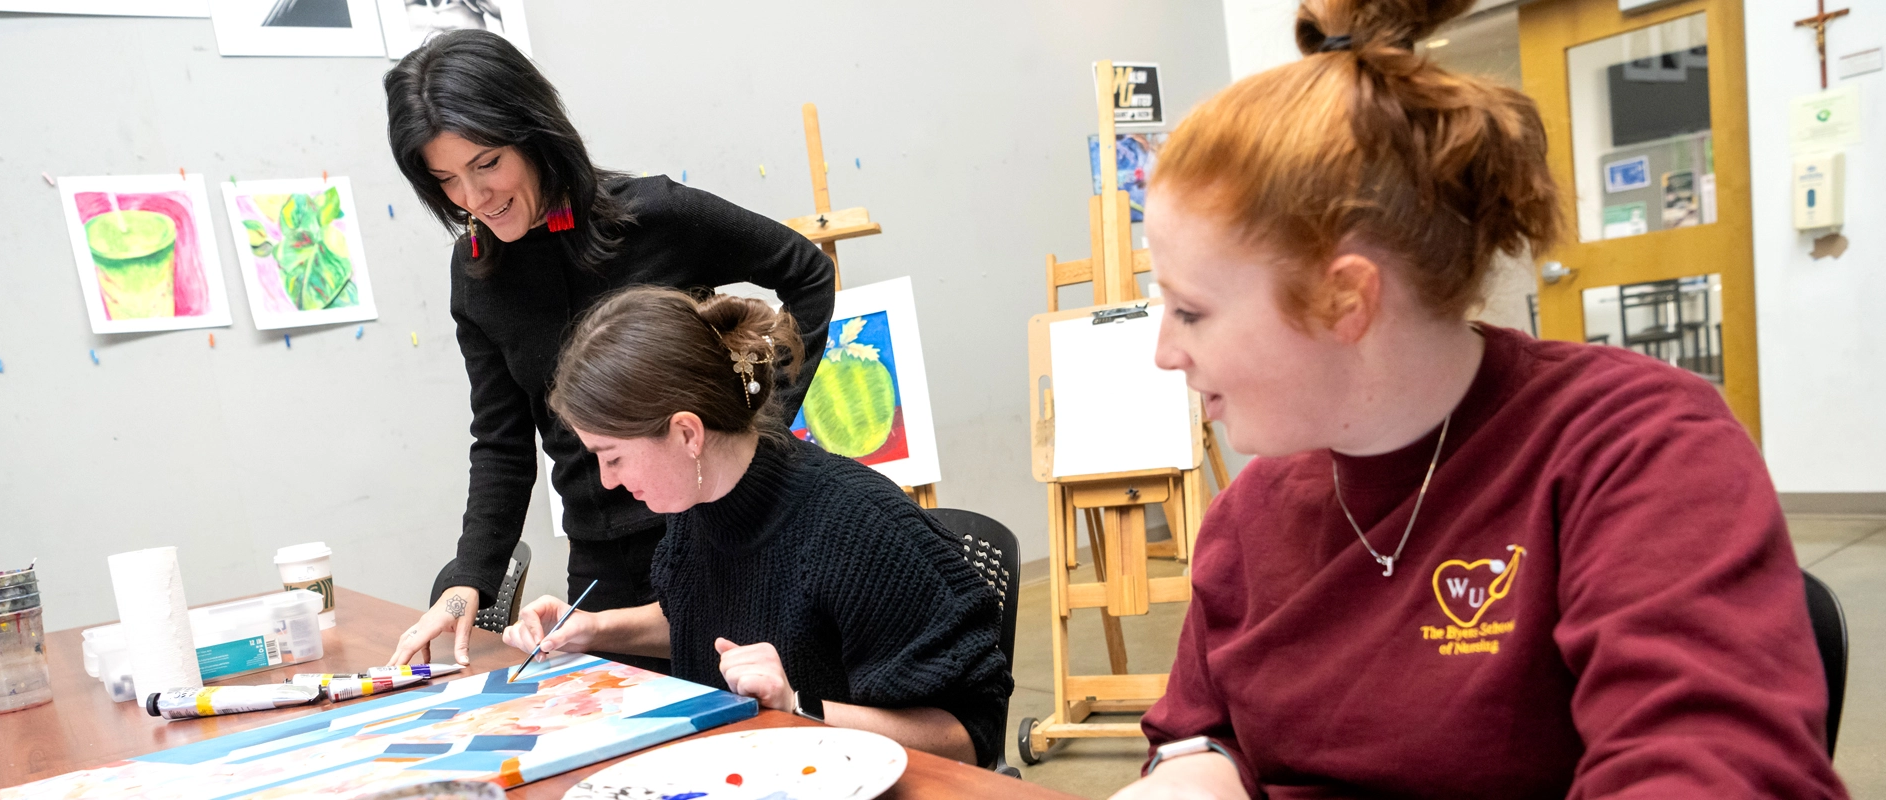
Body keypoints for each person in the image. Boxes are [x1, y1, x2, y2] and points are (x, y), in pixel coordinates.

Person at [1113, 1, 1848, 797]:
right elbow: (1201, 732)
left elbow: (1712, 763)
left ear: (1343, 302)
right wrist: (1194, 774)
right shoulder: (1250, 515)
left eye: (1190, 310)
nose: (1165, 353)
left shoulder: (1634, 448)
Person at [380, 30, 835, 671]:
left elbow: (808, 275)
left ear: (534, 134)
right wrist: (468, 580)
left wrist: (760, 426)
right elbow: (503, 444)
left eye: (486, 164)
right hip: (602, 560)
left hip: (722, 536)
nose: (473, 199)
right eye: (446, 179)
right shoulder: (476, 272)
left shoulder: (654, 214)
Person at [500, 287, 1013, 767]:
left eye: (612, 457)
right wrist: (593, 628)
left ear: (686, 433)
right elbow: (703, 615)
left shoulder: (859, 528)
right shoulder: (700, 504)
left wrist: (798, 705)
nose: (608, 481)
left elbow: (967, 735)